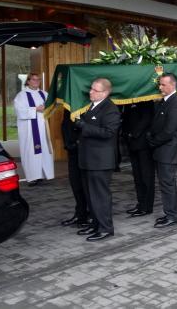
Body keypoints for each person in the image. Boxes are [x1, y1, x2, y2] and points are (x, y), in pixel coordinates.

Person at [75, 78, 121, 242]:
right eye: (91, 89)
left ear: (105, 92)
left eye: (95, 90)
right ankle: (96, 224)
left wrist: (83, 126)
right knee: (91, 196)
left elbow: (108, 132)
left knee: (100, 196)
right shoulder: (93, 106)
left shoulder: (110, 109)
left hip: (100, 162)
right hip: (89, 160)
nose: (90, 92)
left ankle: (105, 228)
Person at [146, 73, 177, 228]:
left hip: (167, 149)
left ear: (173, 85)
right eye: (160, 84)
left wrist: (153, 141)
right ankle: (171, 212)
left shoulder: (175, 103)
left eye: (163, 84)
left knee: (167, 184)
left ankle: (172, 216)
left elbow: (169, 131)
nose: (160, 87)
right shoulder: (166, 101)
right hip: (162, 149)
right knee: (166, 183)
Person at [14, 72, 54, 185]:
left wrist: (47, 108)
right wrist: (35, 109)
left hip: (43, 128)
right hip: (29, 130)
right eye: (34, 79)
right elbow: (19, 112)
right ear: (28, 81)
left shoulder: (44, 94)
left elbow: (51, 107)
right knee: (31, 151)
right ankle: (32, 177)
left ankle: (42, 174)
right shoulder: (21, 95)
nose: (36, 82)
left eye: (38, 80)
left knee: (44, 150)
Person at [121, 101, 155, 217]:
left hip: (143, 144)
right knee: (137, 176)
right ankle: (141, 204)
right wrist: (126, 134)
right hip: (132, 143)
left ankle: (147, 206)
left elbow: (147, 118)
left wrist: (134, 133)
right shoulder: (129, 100)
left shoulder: (145, 99)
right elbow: (126, 118)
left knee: (146, 176)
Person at [60, 110, 89, 228]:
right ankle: (80, 214)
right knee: (75, 184)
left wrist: (78, 142)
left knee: (87, 185)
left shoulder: (88, 104)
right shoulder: (68, 107)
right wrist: (68, 143)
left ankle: (91, 214)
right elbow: (65, 125)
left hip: (85, 150)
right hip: (72, 150)